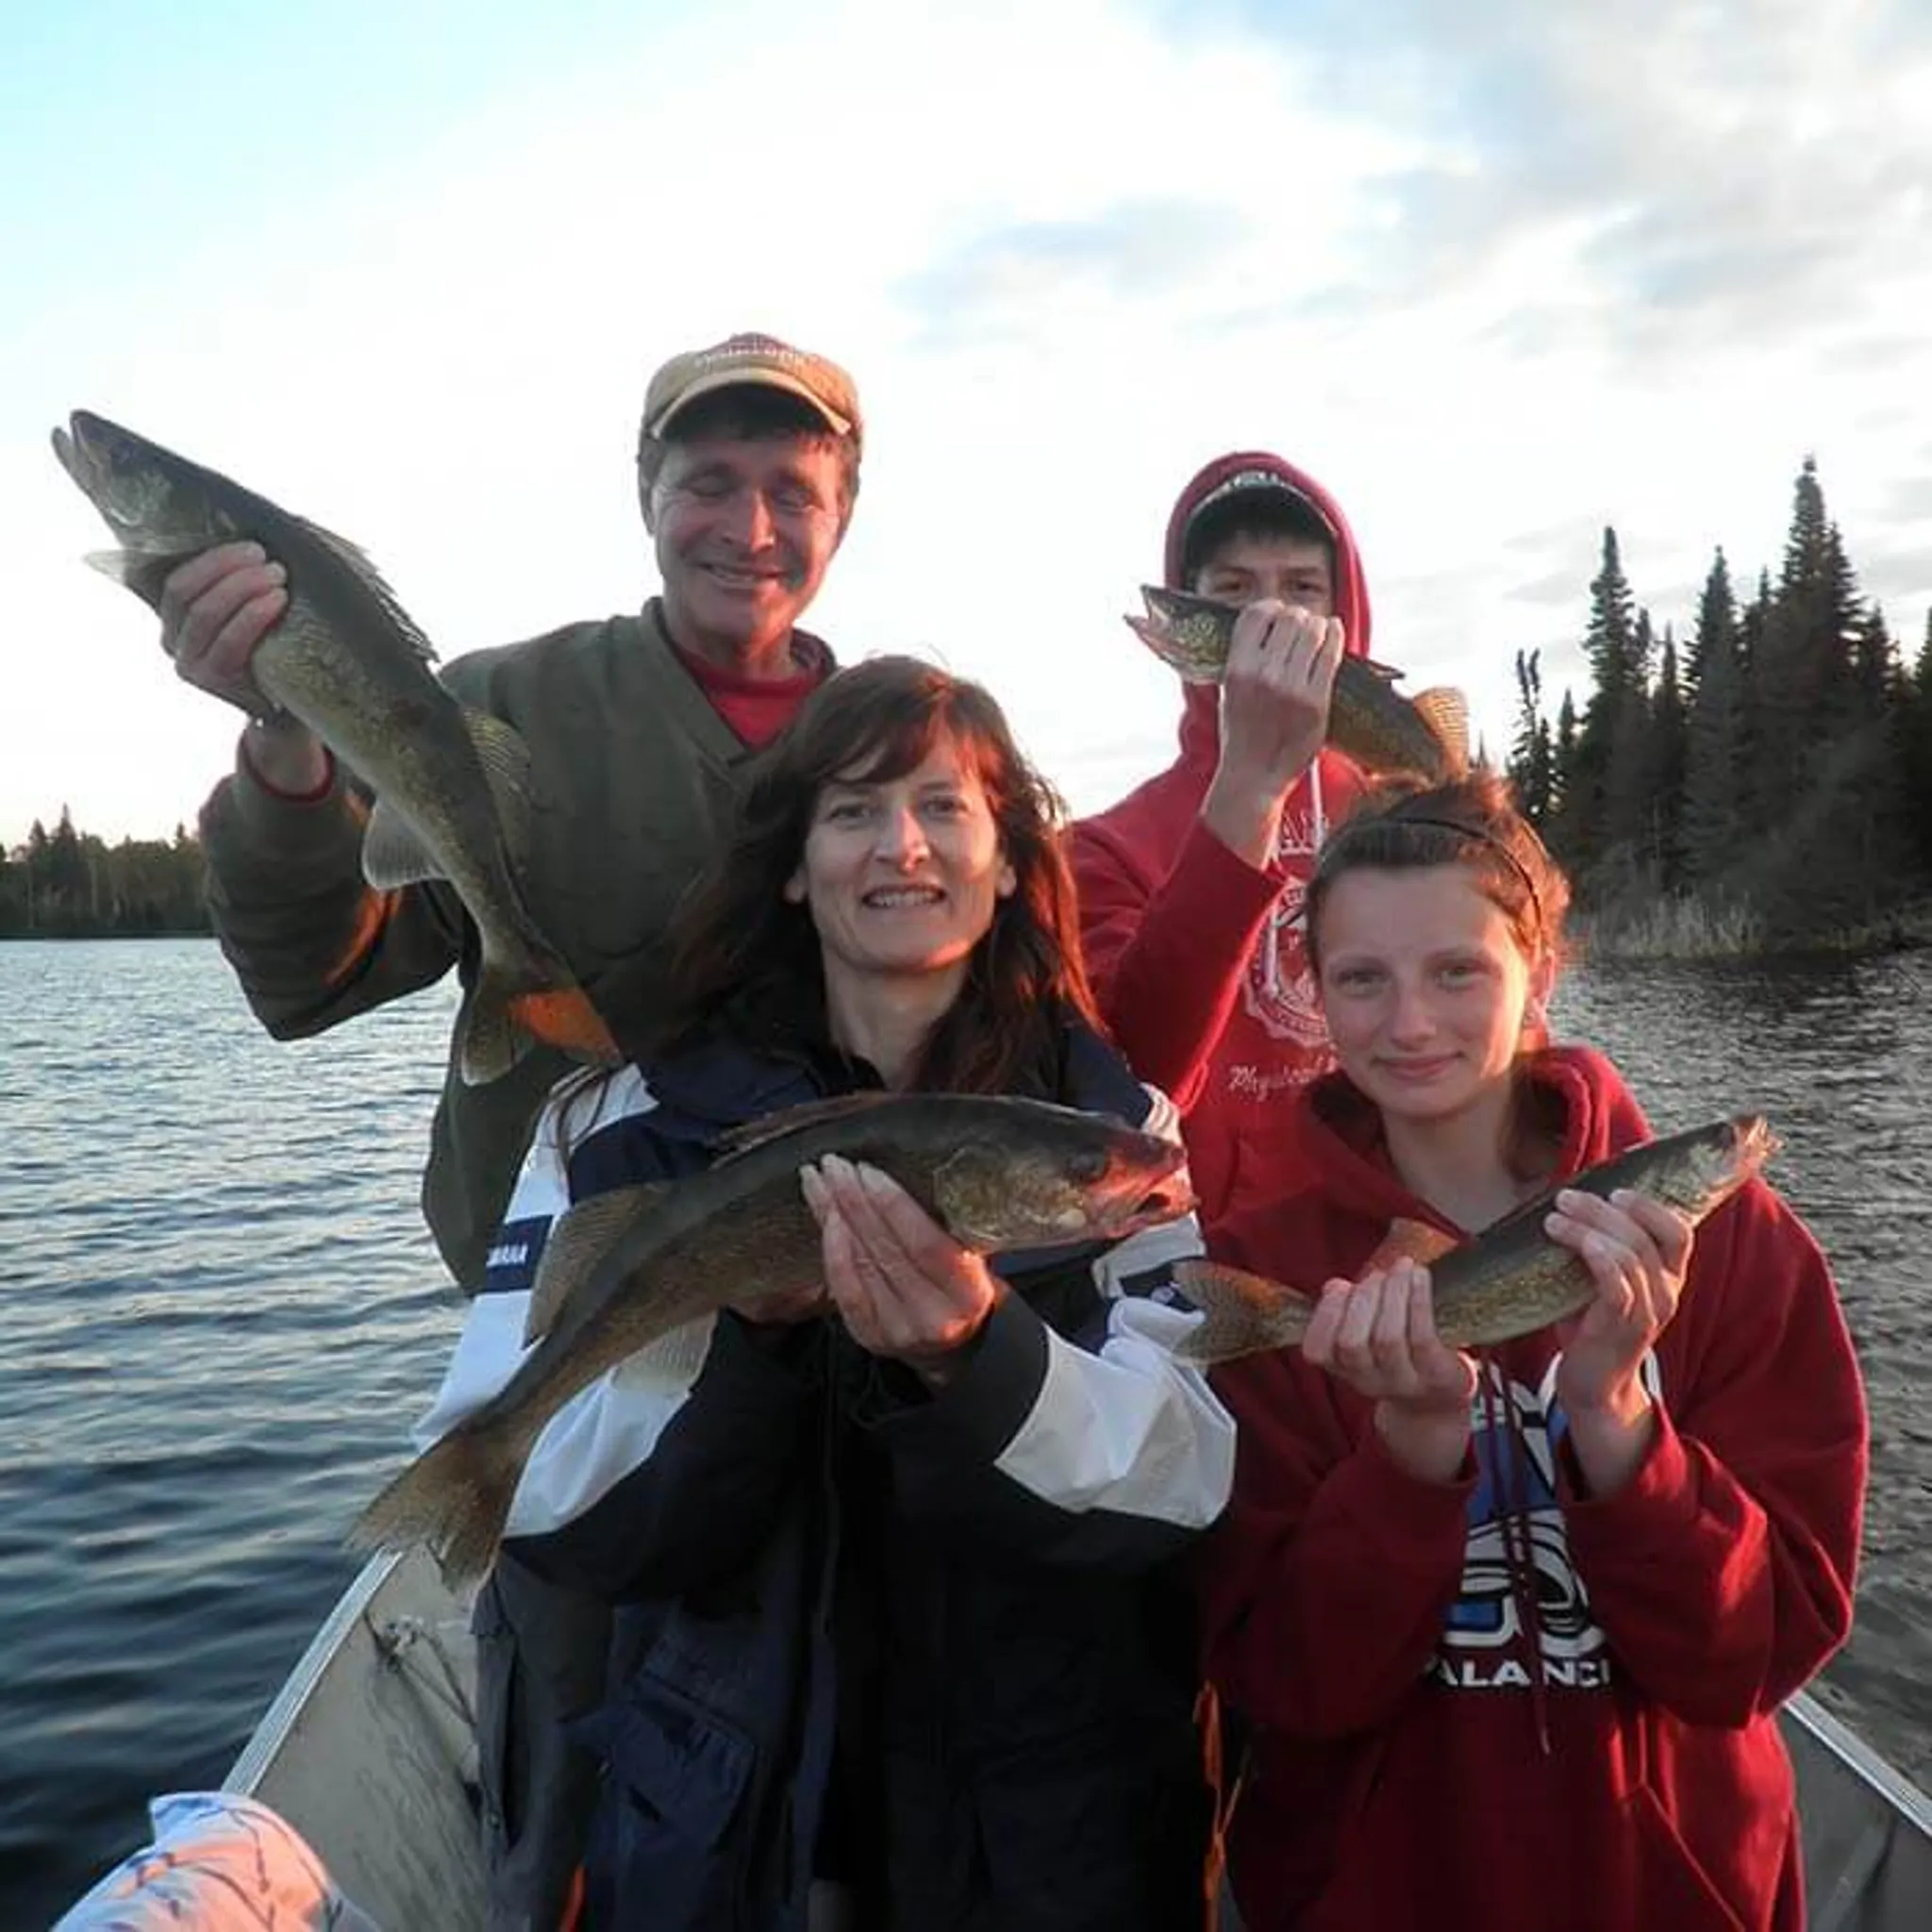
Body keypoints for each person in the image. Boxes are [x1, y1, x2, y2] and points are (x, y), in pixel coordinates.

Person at [157, 330, 864, 1929]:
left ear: (842, 512)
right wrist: (282, 750)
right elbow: (305, 980)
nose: (746, 525)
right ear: (644, 497)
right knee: (566, 1786)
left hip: (832, 1360)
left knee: (820, 1770)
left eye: (788, 489)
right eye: (706, 483)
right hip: (572, 1352)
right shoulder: (498, 702)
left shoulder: (893, 744)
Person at [419, 655, 1237, 1930]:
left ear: (1013, 858)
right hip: (724, 1826)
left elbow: (1185, 1475)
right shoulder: (615, 1133)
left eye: (943, 806)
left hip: (1041, 1838)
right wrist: (744, 1348)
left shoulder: (1113, 1132)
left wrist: (981, 1359)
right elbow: (557, 1514)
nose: (898, 845)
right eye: (851, 811)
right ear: (794, 865)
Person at [1195, 770, 1869, 1931]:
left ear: (1541, 973)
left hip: (1671, 1891)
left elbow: (1749, 1660)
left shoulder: (1738, 1249)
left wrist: (1619, 1423)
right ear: (1315, 994)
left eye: (1457, 970)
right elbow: (1287, 1685)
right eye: (1362, 977)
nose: (1409, 1022)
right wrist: (1404, 1457)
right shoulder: (1269, 1272)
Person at [1072, 453, 1377, 1228]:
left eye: (1302, 590)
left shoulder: (1408, 818)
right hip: (1217, 1276)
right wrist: (1250, 788)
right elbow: (1133, 1085)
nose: (1271, 621)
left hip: (1405, 1256)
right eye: (1234, 593)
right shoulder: (1100, 851)